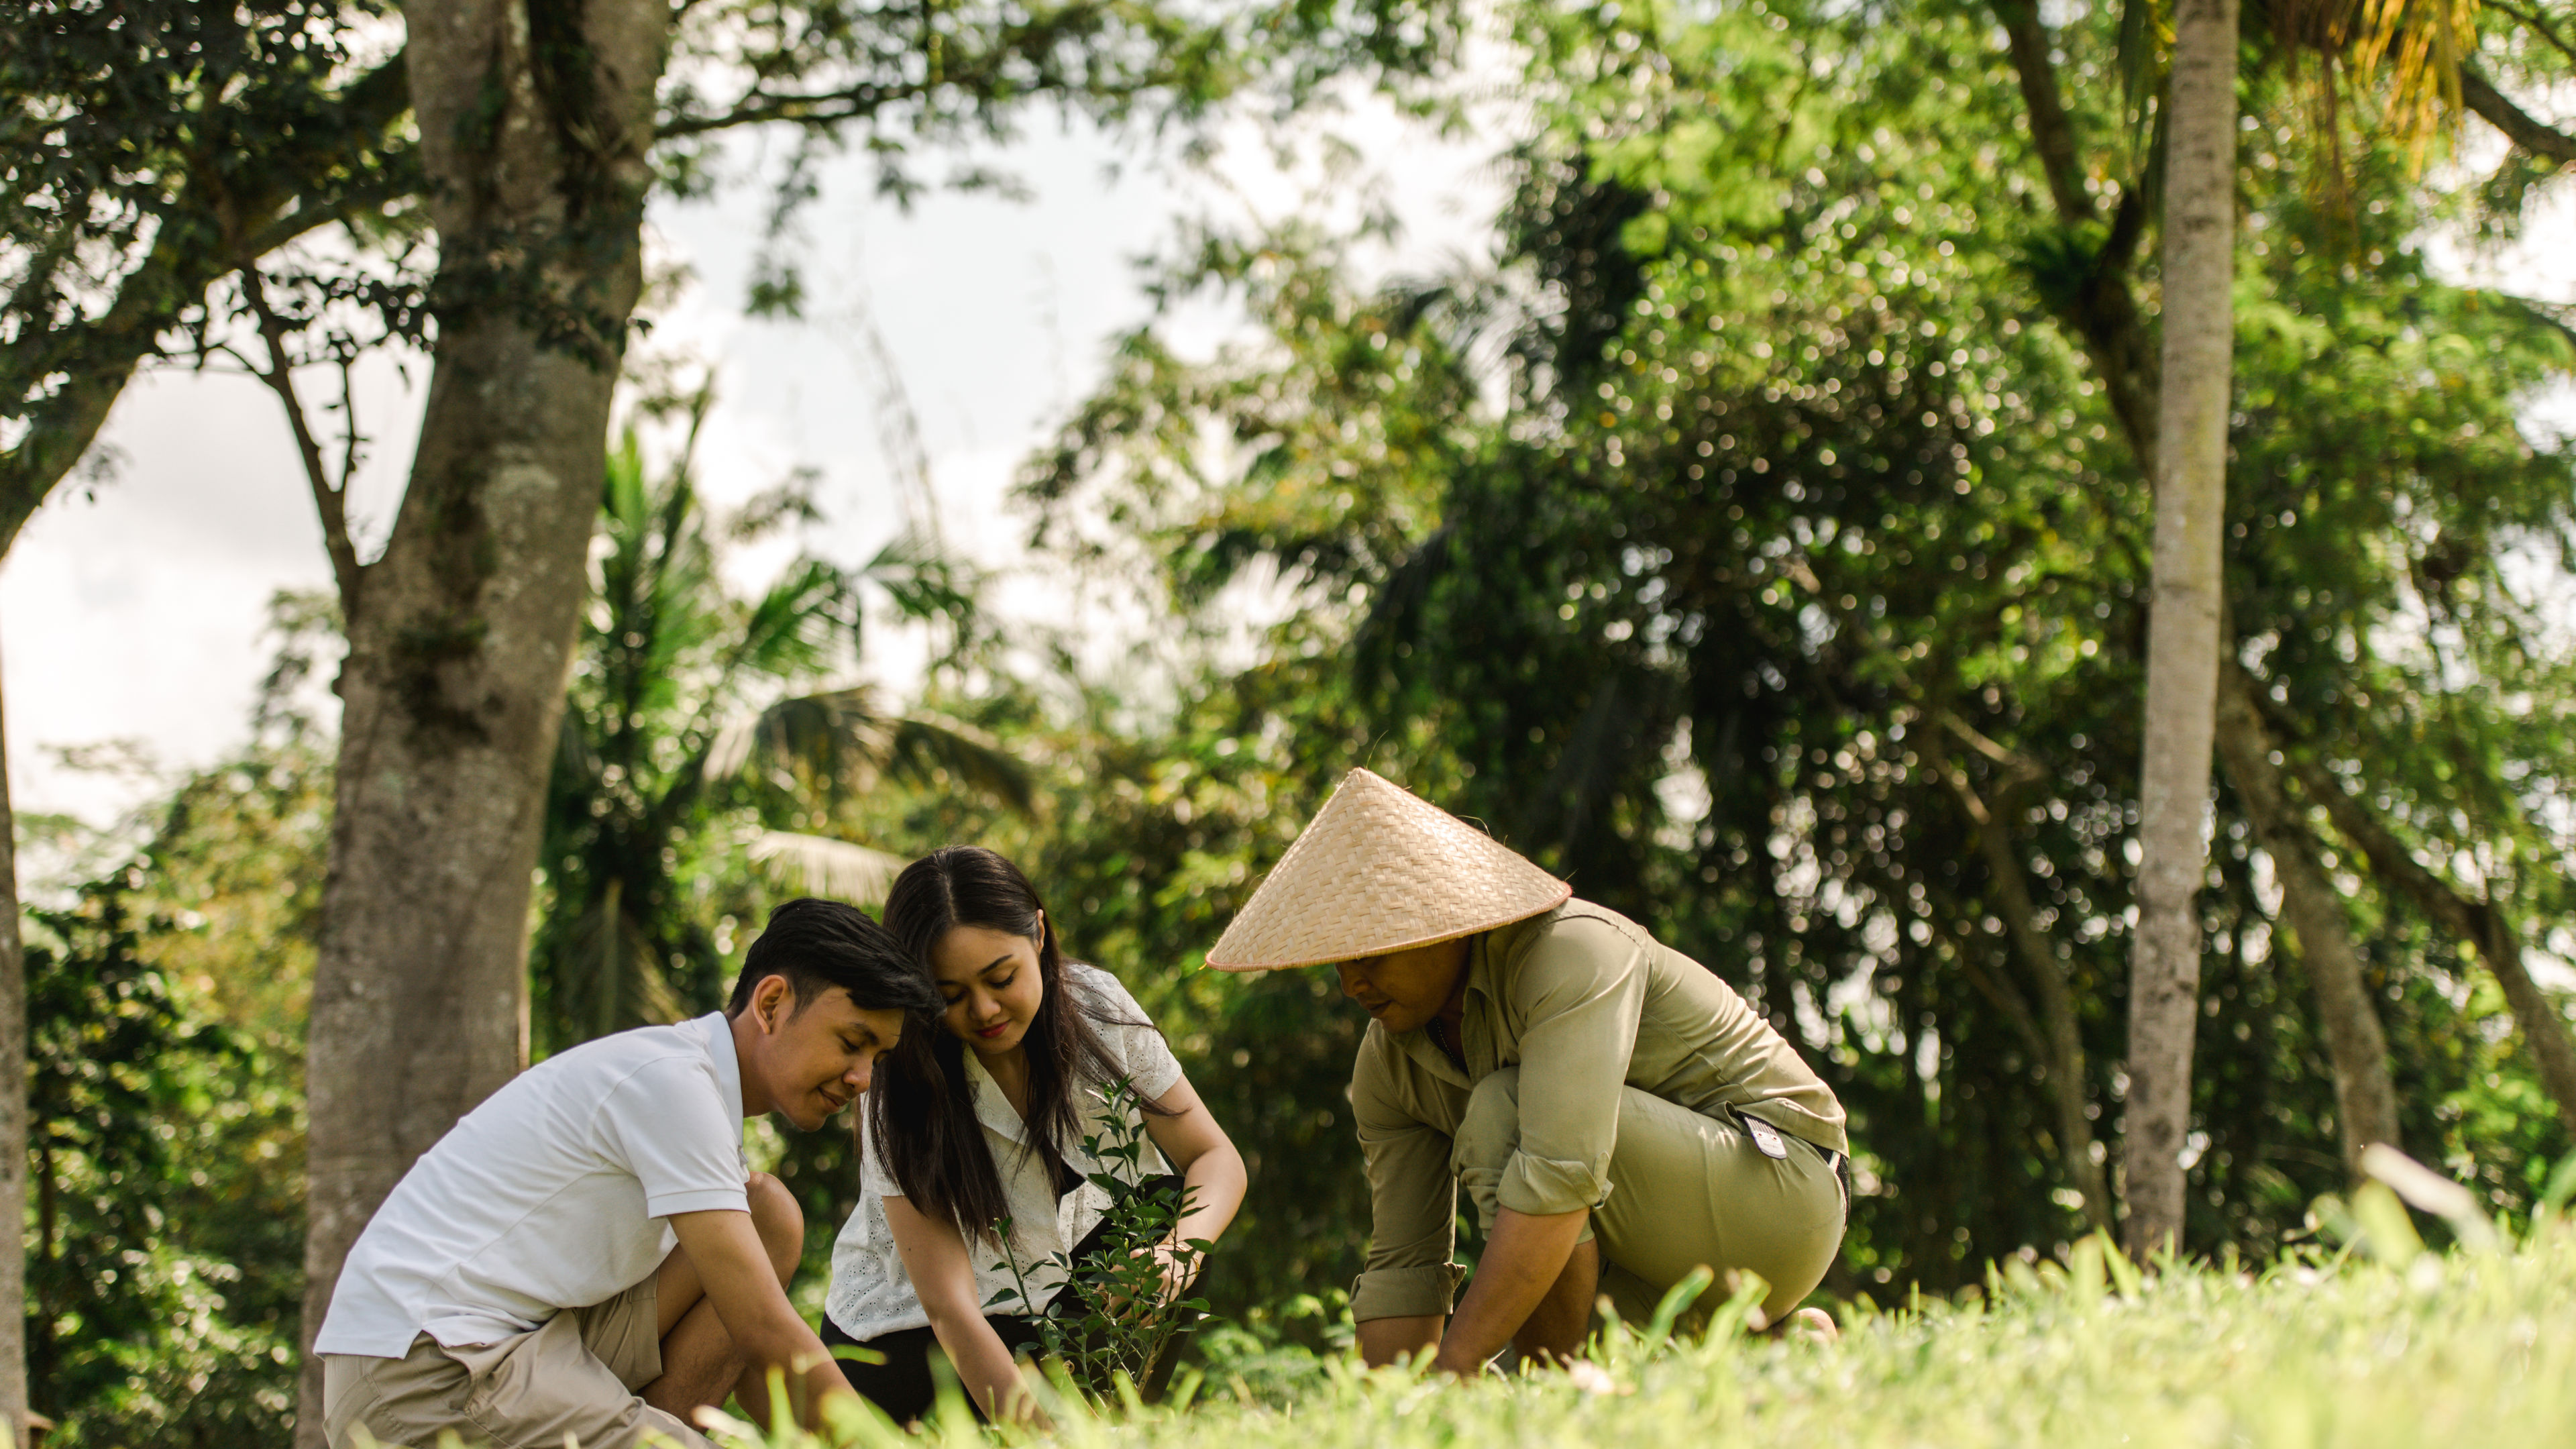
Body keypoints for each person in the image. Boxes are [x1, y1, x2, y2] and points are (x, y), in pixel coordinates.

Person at [1203, 767, 1849, 1375]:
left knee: (1505, 1113)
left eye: (1371, 952)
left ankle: (1556, 1388)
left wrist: (1453, 1372)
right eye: (1336, 959)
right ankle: (1776, 1350)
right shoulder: (1389, 1066)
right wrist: (1396, 1412)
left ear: (1448, 923)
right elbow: (1406, 1263)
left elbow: (1558, 1174)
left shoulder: (1572, 952)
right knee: (1540, 1371)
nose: (1351, 983)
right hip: (1643, 1256)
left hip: (1783, 1197)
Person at [313, 898, 941, 1449]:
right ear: (772, 1003)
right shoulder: (671, 1084)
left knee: (768, 1213)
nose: (863, 1078)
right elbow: (761, 1326)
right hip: (429, 1363)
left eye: (877, 1057)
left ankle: (642, 1428)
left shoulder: (697, 1099)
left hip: (532, 1342)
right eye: (851, 1042)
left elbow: (746, 1356)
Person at [822, 846, 1247, 1424]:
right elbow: (949, 1308)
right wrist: (1045, 1436)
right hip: (912, 1340)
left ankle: (1115, 1425)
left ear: (1039, 935)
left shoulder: (1096, 1006)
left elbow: (1214, 1156)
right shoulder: (897, 1076)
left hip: (1040, 1308)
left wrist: (1175, 1256)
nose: (985, 1009)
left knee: (1169, 1212)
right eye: (949, 996)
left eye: (1002, 977)